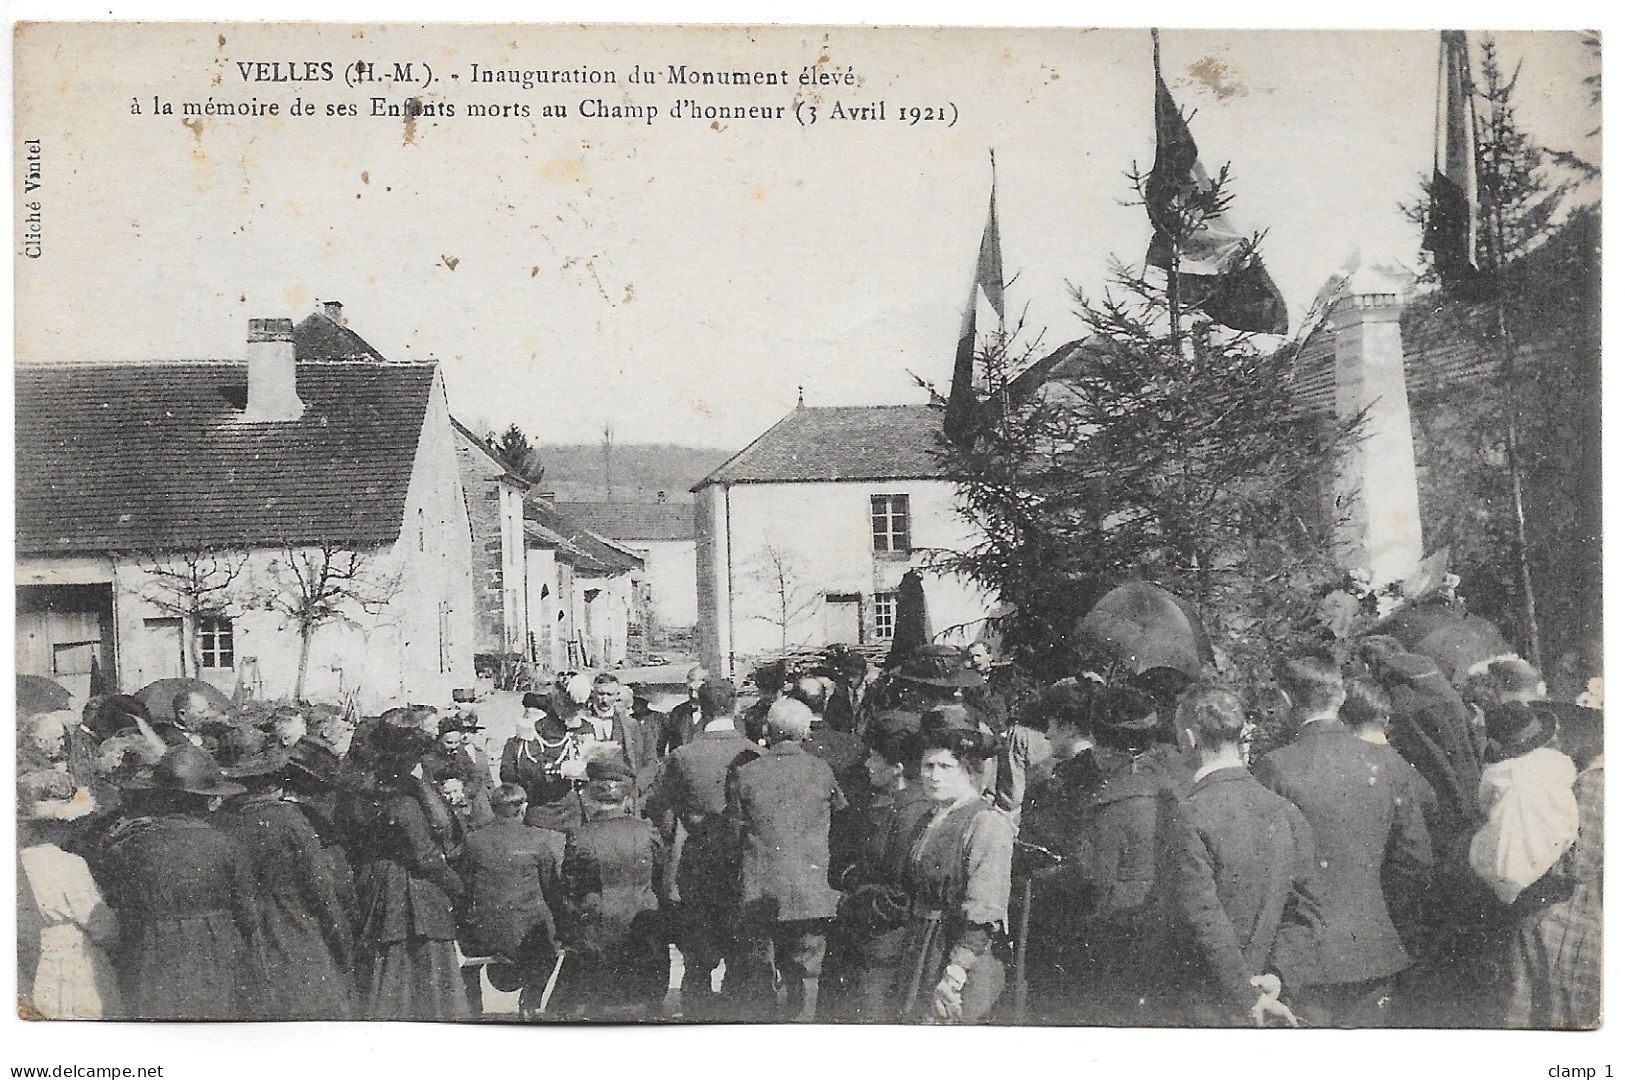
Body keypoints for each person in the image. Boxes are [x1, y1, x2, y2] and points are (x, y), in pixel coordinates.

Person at [1255, 655, 1433, 1027]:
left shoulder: (1276, 766)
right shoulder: (1386, 764)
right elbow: (1414, 859)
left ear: (1286, 700)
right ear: (1339, 698)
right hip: (1375, 948)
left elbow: (1265, 867)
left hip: (1300, 958)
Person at [1172, 684, 1314, 1026]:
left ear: (1189, 739)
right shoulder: (1285, 811)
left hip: (1208, 1003)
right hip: (1269, 994)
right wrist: (1278, 975)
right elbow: (1306, 907)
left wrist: (1244, 992)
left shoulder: (1189, 816)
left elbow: (1202, 917)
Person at [101, 744, 264, 1020]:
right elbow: (248, 915)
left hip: (151, 956)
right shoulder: (227, 844)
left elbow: (119, 912)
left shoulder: (128, 846)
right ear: (207, 799)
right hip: (216, 954)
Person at [642, 677, 760, 1019]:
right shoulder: (754, 753)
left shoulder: (683, 756)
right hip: (741, 863)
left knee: (698, 957)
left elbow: (660, 807)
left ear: (702, 710)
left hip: (696, 864)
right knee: (740, 950)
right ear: (735, 706)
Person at [729, 696, 848, 1021]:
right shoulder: (821, 770)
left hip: (761, 892)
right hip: (811, 891)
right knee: (808, 974)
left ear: (768, 728)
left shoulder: (747, 773)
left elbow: (734, 831)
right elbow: (841, 817)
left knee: (760, 974)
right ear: (805, 732)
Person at [1468, 702, 1582, 1028]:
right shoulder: (1562, 768)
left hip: (1514, 883)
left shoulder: (1501, 777)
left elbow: (1490, 824)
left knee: (1516, 973)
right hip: (1558, 878)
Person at [222, 744, 355, 1020]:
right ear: (273, 783)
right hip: (295, 928)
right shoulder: (289, 820)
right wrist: (341, 944)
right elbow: (320, 889)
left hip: (247, 937)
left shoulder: (225, 823)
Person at [893, 723, 1012, 1024]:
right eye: (928, 766)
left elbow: (985, 907)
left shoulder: (985, 822)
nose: (934, 775)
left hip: (961, 955)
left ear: (969, 771)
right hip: (923, 949)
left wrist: (955, 973)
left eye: (946, 766)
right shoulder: (930, 819)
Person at [351, 722, 468, 1021]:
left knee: (393, 968)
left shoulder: (368, 791)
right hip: (411, 890)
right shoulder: (404, 802)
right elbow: (425, 857)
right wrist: (457, 886)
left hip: (381, 885)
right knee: (423, 969)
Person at [552, 757, 669, 1019]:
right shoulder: (648, 830)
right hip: (645, 937)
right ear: (626, 798)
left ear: (590, 798)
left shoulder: (580, 836)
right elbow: (661, 875)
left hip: (599, 940)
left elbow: (569, 889)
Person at [18, 769, 122, 1020]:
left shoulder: (18, 861)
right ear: (62, 826)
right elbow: (100, 923)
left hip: (31, 961)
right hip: (76, 960)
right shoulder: (69, 864)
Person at [459, 783, 567, 1018]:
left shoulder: (473, 840)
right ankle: (529, 1002)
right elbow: (551, 888)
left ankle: (474, 1007)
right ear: (524, 808)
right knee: (549, 938)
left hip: (484, 933)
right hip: (528, 933)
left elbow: (465, 888)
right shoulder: (538, 840)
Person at [501, 691, 588, 834]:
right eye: (527, 715)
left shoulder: (567, 740)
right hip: (536, 810)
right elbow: (508, 775)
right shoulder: (516, 744)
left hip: (568, 811)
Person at [421, 714, 494, 828]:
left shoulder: (461, 752)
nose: (454, 746)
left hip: (466, 802)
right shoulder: (429, 757)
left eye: (457, 742)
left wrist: (465, 792)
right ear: (440, 740)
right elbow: (428, 785)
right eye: (449, 743)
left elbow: (476, 775)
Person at [658, 665, 711, 755]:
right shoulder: (677, 712)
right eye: (691, 690)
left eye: (697, 691)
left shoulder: (714, 712)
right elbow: (661, 745)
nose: (693, 695)